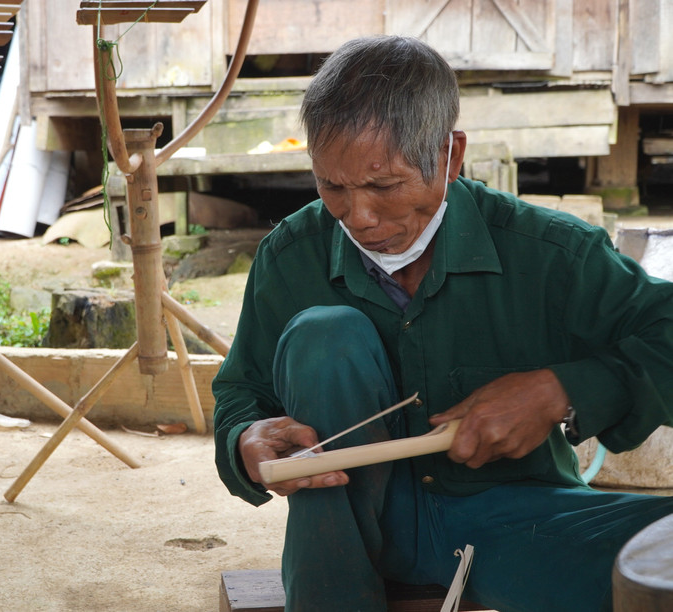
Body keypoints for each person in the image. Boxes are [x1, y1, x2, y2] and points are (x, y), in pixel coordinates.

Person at [212, 35, 673, 612]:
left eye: (384, 185)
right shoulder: (292, 253)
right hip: (347, 538)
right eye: (332, 185)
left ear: (451, 156)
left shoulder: (551, 253)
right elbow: (240, 391)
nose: (358, 216)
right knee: (324, 335)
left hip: (515, 521)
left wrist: (561, 389)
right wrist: (245, 440)